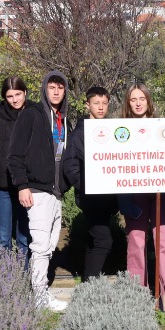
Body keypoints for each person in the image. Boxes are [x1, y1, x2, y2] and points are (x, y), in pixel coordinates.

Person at [7, 71, 72, 306]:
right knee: (41, 245)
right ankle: (40, 297)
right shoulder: (32, 115)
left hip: (56, 192)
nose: (56, 92)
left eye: (60, 88)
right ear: (44, 89)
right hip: (36, 190)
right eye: (51, 87)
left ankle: (36, 293)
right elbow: (14, 155)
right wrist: (22, 186)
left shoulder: (63, 119)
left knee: (50, 244)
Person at [117, 84, 165, 310]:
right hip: (134, 194)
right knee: (136, 242)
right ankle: (137, 297)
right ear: (128, 103)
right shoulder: (120, 130)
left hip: (161, 193)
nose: (138, 103)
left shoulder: (161, 126)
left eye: (142, 98)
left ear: (148, 101)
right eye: (133, 99)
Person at [63, 85, 119, 282]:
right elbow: (70, 165)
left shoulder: (111, 130)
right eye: (96, 103)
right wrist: (86, 186)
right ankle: (90, 286)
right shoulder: (80, 133)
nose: (101, 107)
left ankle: (88, 281)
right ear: (88, 105)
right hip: (90, 197)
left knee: (95, 240)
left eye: (104, 103)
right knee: (104, 240)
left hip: (107, 198)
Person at [0, 77, 31, 254]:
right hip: (1, 187)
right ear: (4, 97)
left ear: (25, 93)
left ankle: (25, 272)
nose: (15, 99)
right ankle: (5, 272)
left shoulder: (34, 116)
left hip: (27, 186)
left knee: (25, 236)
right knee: (2, 237)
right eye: (10, 96)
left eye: (18, 94)